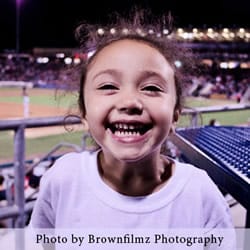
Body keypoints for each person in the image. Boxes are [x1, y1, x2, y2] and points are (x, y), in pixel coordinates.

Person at [30, 9, 234, 233]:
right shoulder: (62, 179)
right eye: (108, 86)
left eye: (151, 88)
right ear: (84, 113)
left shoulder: (200, 193)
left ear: (176, 115)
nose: (129, 102)